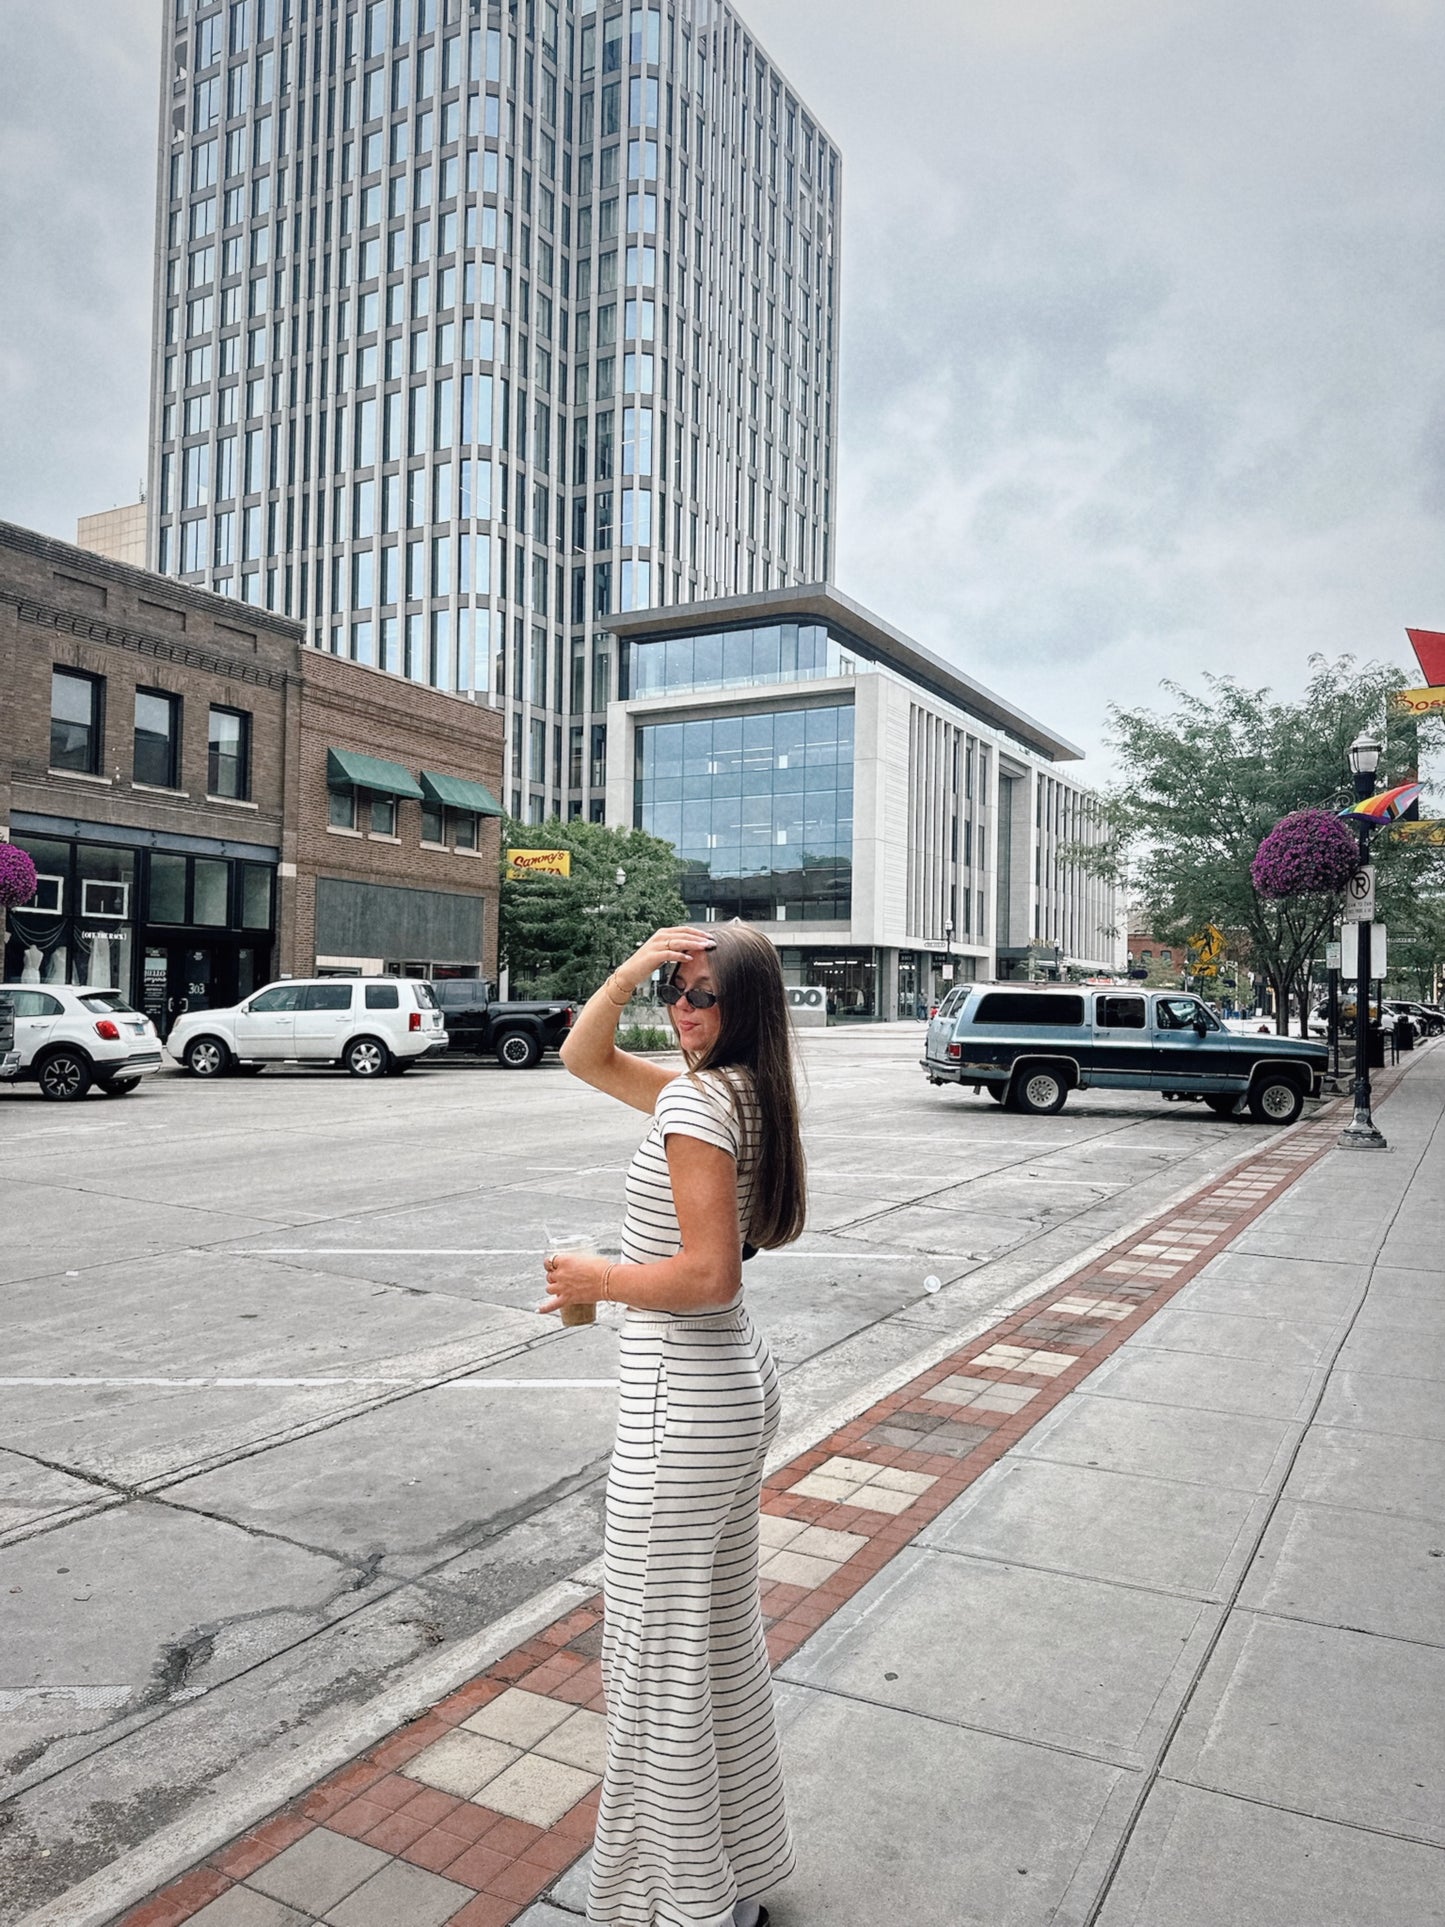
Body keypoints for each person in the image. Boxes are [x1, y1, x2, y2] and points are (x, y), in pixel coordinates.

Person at [542, 922, 807, 1927]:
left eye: (700, 993)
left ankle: (683, 1906)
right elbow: (583, 1054)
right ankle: (729, 1881)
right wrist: (634, 965)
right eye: (674, 992)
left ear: (742, 1008)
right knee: (712, 1654)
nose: (682, 1010)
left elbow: (706, 1274)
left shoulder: (701, 1099)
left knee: (653, 1673)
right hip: (727, 1393)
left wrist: (595, 1278)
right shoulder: (738, 1091)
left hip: (681, 1409)